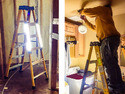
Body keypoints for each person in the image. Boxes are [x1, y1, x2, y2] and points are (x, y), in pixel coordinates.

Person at [79, 0, 125, 94]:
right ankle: (117, 85)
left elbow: (89, 12)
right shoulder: (102, 19)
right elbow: (94, 28)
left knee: (109, 63)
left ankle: (115, 87)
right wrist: (85, 20)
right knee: (112, 63)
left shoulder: (104, 10)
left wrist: (82, 11)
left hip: (108, 39)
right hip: (111, 39)